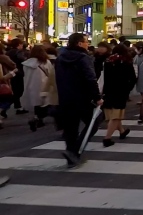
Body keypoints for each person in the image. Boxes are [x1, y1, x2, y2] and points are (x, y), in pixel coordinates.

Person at [55, 33, 103, 168]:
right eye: (86, 42)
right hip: (82, 97)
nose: (88, 44)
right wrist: (97, 97)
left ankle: (71, 154)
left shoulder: (60, 58)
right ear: (79, 43)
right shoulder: (83, 58)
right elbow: (90, 78)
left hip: (65, 96)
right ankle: (74, 151)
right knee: (95, 121)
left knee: (71, 127)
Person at [101, 44, 135, 147]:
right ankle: (107, 138)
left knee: (111, 114)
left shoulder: (108, 62)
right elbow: (132, 78)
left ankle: (122, 131)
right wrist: (128, 89)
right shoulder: (126, 62)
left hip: (108, 91)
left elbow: (105, 78)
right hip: (121, 91)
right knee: (116, 116)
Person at [21, 45, 53, 132]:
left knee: (34, 103)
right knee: (44, 104)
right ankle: (39, 118)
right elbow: (50, 73)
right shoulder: (46, 62)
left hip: (30, 85)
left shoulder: (26, 63)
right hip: (44, 86)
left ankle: (34, 118)